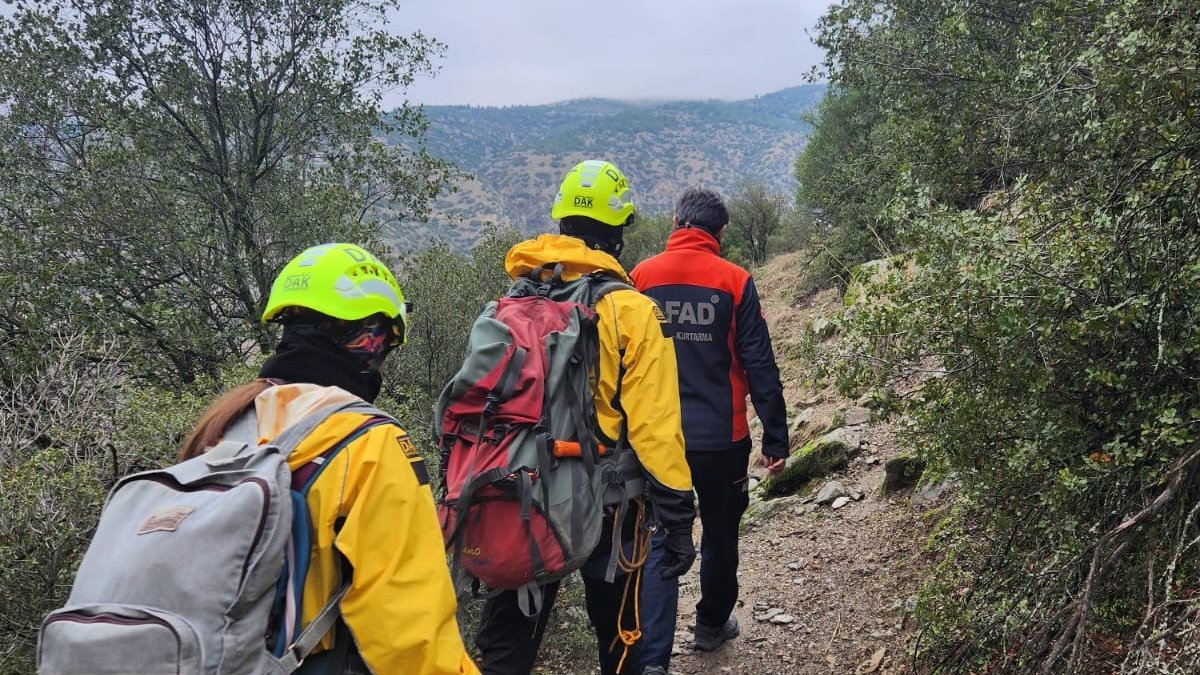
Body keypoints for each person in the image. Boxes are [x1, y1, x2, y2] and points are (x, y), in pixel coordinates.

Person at [177, 243, 479, 675]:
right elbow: (411, 634)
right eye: (386, 341)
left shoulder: (227, 420)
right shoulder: (369, 443)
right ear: (368, 340)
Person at [472, 160, 697, 675]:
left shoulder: (510, 302)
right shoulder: (631, 309)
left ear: (562, 223)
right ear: (616, 230)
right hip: (609, 504)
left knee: (507, 646)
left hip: (520, 491)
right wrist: (679, 516)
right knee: (620, 638)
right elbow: (655, 426)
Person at [631, 187, 790, 672]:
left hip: (655, 440)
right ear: (719, 233)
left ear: (676, 221)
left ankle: (651, 653)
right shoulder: (735, 281)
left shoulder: (640, 277)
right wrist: (776, 437)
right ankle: (709, 624)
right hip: (723, 438)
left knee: (659, 533)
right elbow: (759, 363)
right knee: (721, 532)